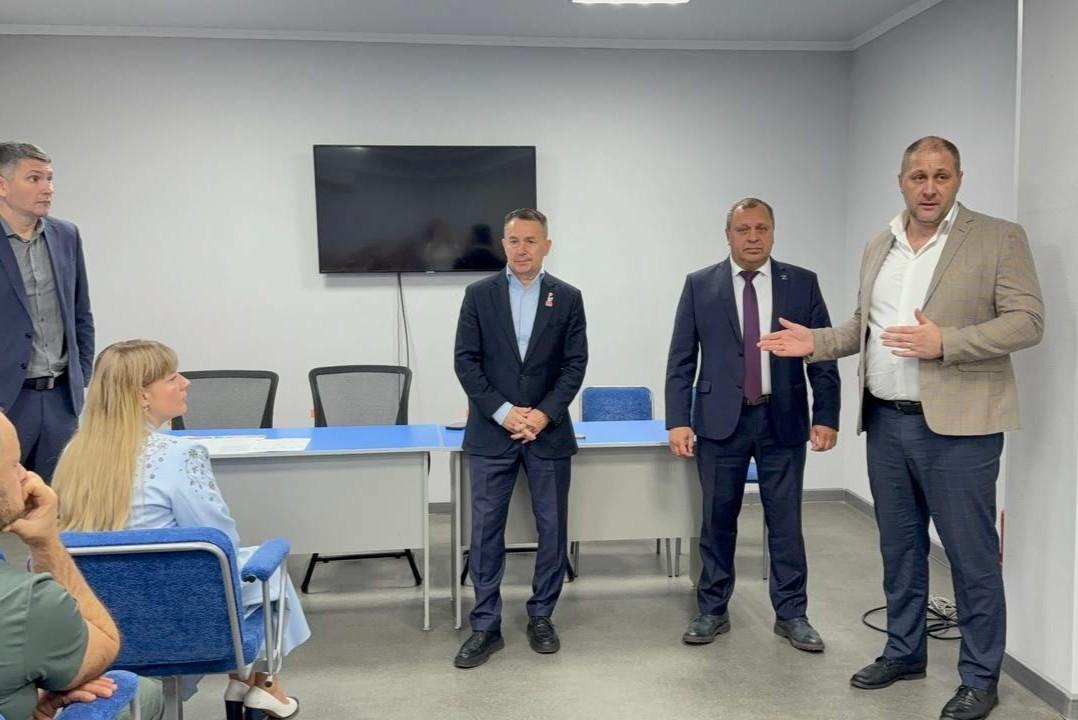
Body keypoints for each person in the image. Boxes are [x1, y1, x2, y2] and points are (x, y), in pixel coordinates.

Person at [759, 137, 1044, 720]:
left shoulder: (998, 237)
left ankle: (979, 678)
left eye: (941, 176)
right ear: (902, 181)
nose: (929, 188)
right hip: (886, 422)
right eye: (919, 176)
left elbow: (1027, 321)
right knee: (900, 549)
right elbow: (863, 327)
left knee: (969, 557)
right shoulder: (879, 244)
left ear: (958, 179)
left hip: (960, 430)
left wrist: (947, 342)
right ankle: (904, 652)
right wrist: (816, 342)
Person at [52, 340, 311, 720]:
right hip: (174, 620)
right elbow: (221, 541)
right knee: (268, 573)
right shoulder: (180, 455)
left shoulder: (73, 454)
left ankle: (254, 686)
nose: (186, 383)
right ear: (143, 395)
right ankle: (261, 682)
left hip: (95, 623)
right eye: (173, 377)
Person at [665, 197, 840, 654]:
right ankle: (712, 610)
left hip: (782, 418)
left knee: (785, 522)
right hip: (719, 421)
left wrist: (826, 415)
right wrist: (678, 420)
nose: (753, 237)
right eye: (743, 229)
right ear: (728, 235)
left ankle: (793, 615)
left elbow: (821, 353)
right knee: (717, 520)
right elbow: (681, 358)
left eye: (762, 228)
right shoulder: (700, 284)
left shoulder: (801, 283)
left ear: (773, 232)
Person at [452, 208, 588, 668]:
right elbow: (466, 361)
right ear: (503, 245)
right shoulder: (478, 295)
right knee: (485, 532)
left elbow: (574, 364)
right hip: (492, 432)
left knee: (552, 529)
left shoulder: (567, 298)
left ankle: (542, 615)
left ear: (546, 245)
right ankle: (485, 625)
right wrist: (505, 413)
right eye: (514, 240)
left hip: (548, 433)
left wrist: (543, 414)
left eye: (532, 240)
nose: (523, 249)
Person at [0, 411, 163, 720]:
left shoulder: (75, 451)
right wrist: (46, 540)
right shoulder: (26, 602)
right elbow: (104, 644)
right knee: (141, 692)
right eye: (13, 465)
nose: (25, 474)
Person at [0, 142, 94, 482]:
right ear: (2, 185)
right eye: (34, 178)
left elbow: (80, 312)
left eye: (50, 178)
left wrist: (80, 376)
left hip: (60, 400)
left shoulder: (65, 234)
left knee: (60, 499)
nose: (48, 188)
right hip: (7, 400)